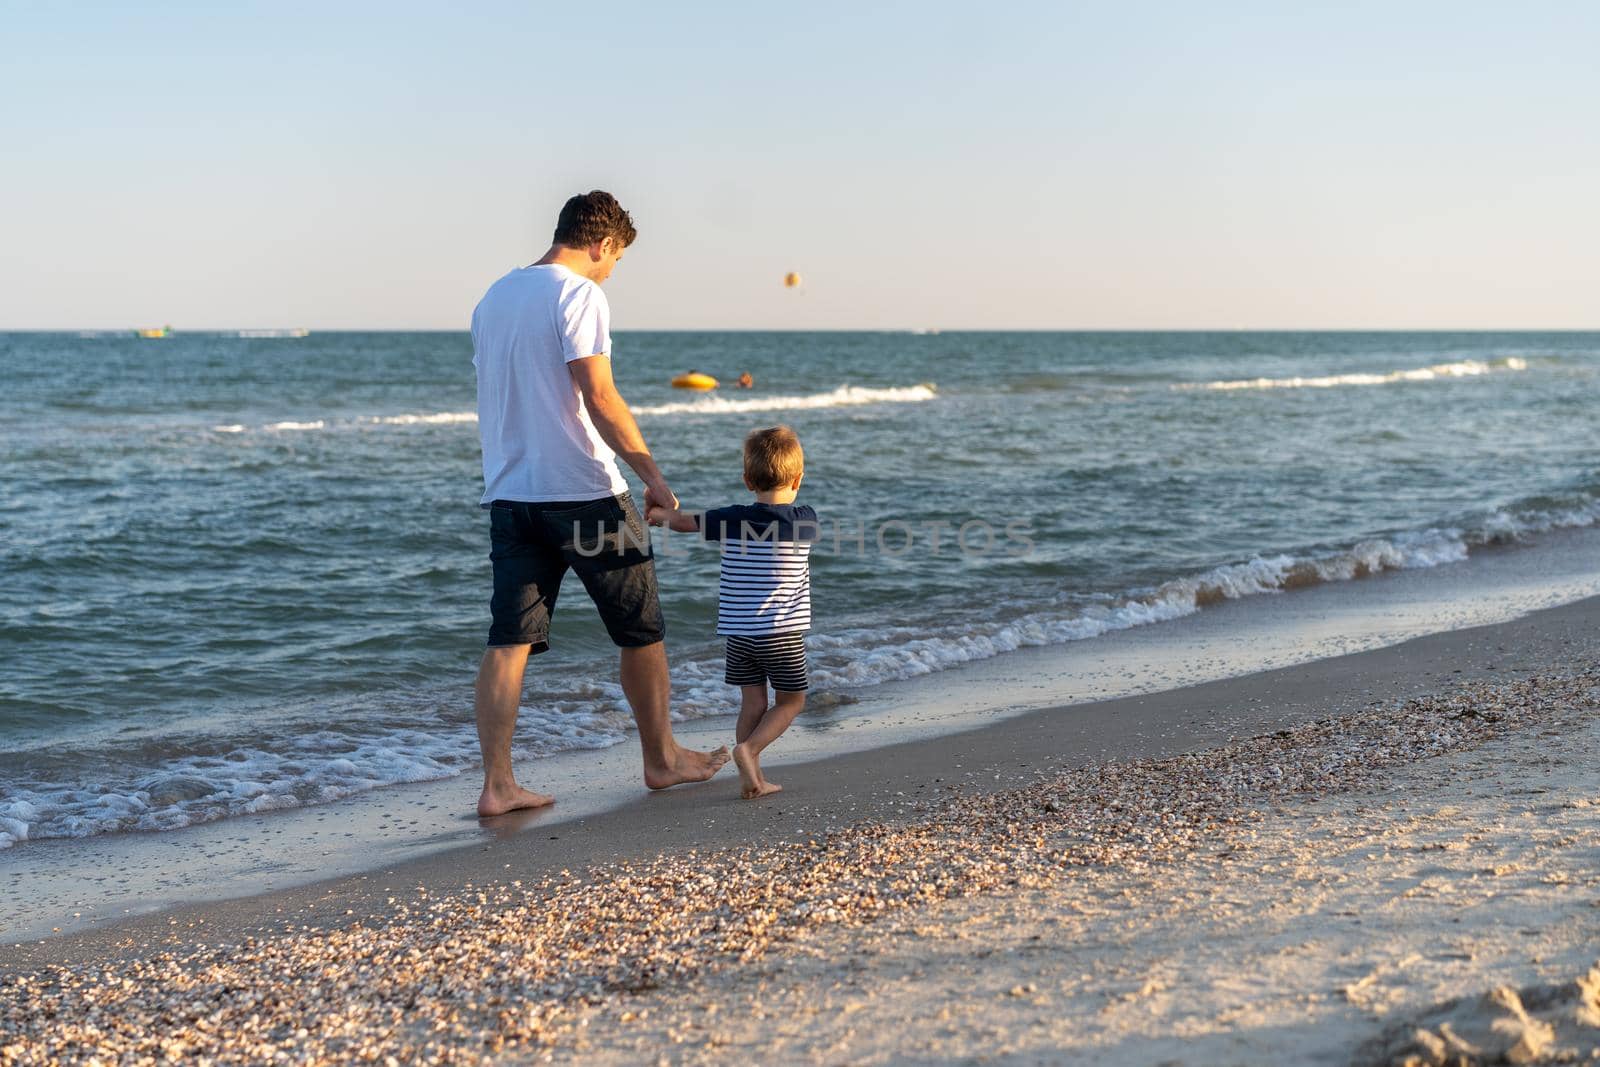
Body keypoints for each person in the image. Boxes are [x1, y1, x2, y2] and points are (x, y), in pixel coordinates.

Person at [469, 190, 729, 817]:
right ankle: (662, 759)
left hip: (511, 494)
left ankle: (498, 786)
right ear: (602, 242)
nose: (613, 271)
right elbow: (600, 395)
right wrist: (654, 476)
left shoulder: (493, 298)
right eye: (616, 259)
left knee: (510, 640)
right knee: (642, 632)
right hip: (585, 493)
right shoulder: (579, 293)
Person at [648, 426, 819, 799]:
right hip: (782, 634)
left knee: (753, 702)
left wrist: (658, 511)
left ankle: (753, 777)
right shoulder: (804, 519)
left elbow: (680, 523)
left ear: (746, 481)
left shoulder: (730, 518)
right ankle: (750, 751)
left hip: (739, 634)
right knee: (791, 701)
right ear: (798, 478)